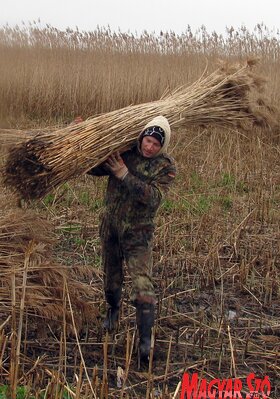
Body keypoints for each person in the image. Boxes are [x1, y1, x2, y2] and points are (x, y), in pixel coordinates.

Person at [88, 115, 176, 362]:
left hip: (139, 234)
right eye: (148, 141)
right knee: (111, 279)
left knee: (142, 287)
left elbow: (154, 198)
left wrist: (124, 174)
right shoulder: (125, 150)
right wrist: (83, 140)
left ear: (162, 146)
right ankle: (113, 311)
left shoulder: (165, 167)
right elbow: (94, 170)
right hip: (111, 228)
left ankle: (145, 344)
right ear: (142, 137)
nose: (149, 147)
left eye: (156, 144)